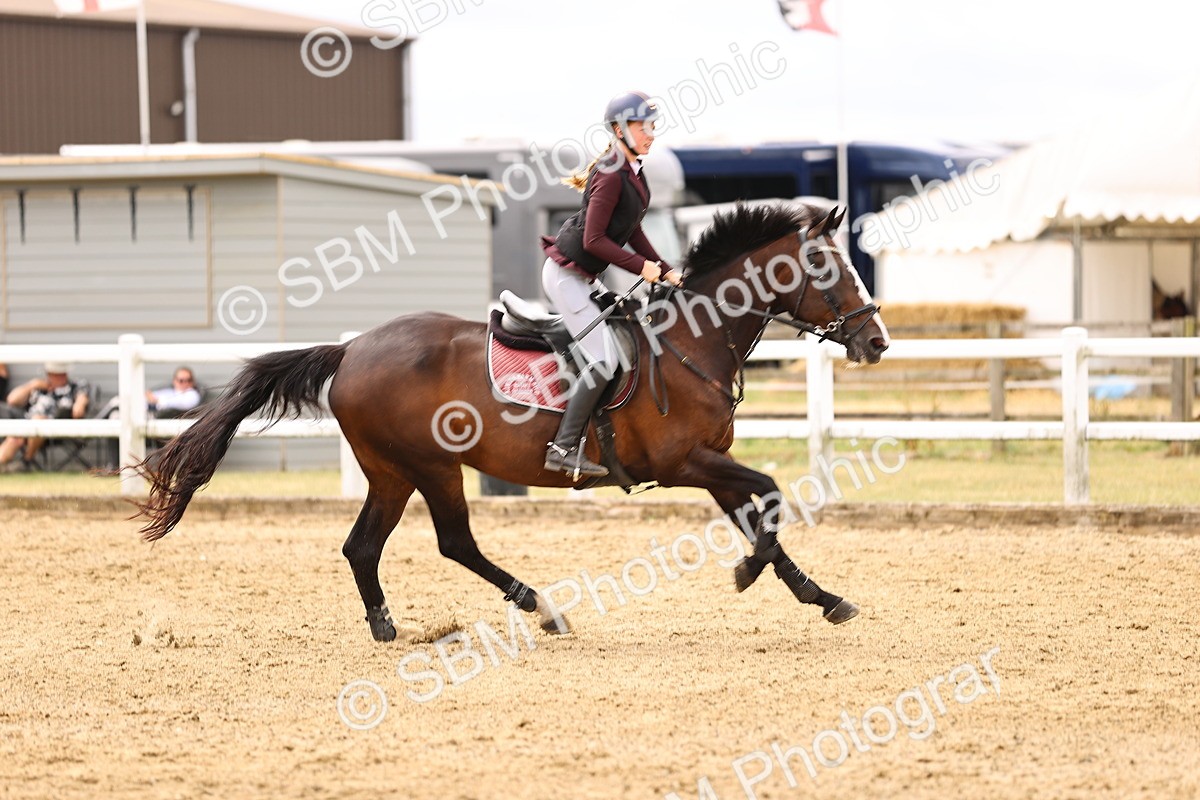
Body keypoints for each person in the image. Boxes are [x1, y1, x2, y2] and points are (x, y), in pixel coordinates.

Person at [539, 90, 682, 478]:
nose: (650, 133)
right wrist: (642, 268)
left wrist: (666, 268)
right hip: (567, 277)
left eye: (652, 126)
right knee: (604, 361)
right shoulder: (610, 172)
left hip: (583, 277)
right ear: (620, 129)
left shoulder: (632, 169)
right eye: (642, 126)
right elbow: (594, 241)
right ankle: (563, 448)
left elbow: (632, 230)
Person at [0, 362, 90, 471]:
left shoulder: (75, 387)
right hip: (27, 426)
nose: (55, 377)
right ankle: (4, 469)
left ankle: (26, 462)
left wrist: (80, 403)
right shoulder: (39, 386)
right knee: (13, 439)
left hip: (54, 429)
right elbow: (11, 400)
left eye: (59, 374)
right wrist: (31, 385)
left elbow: (81, 403)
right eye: (52, 373)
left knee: (38, 420)